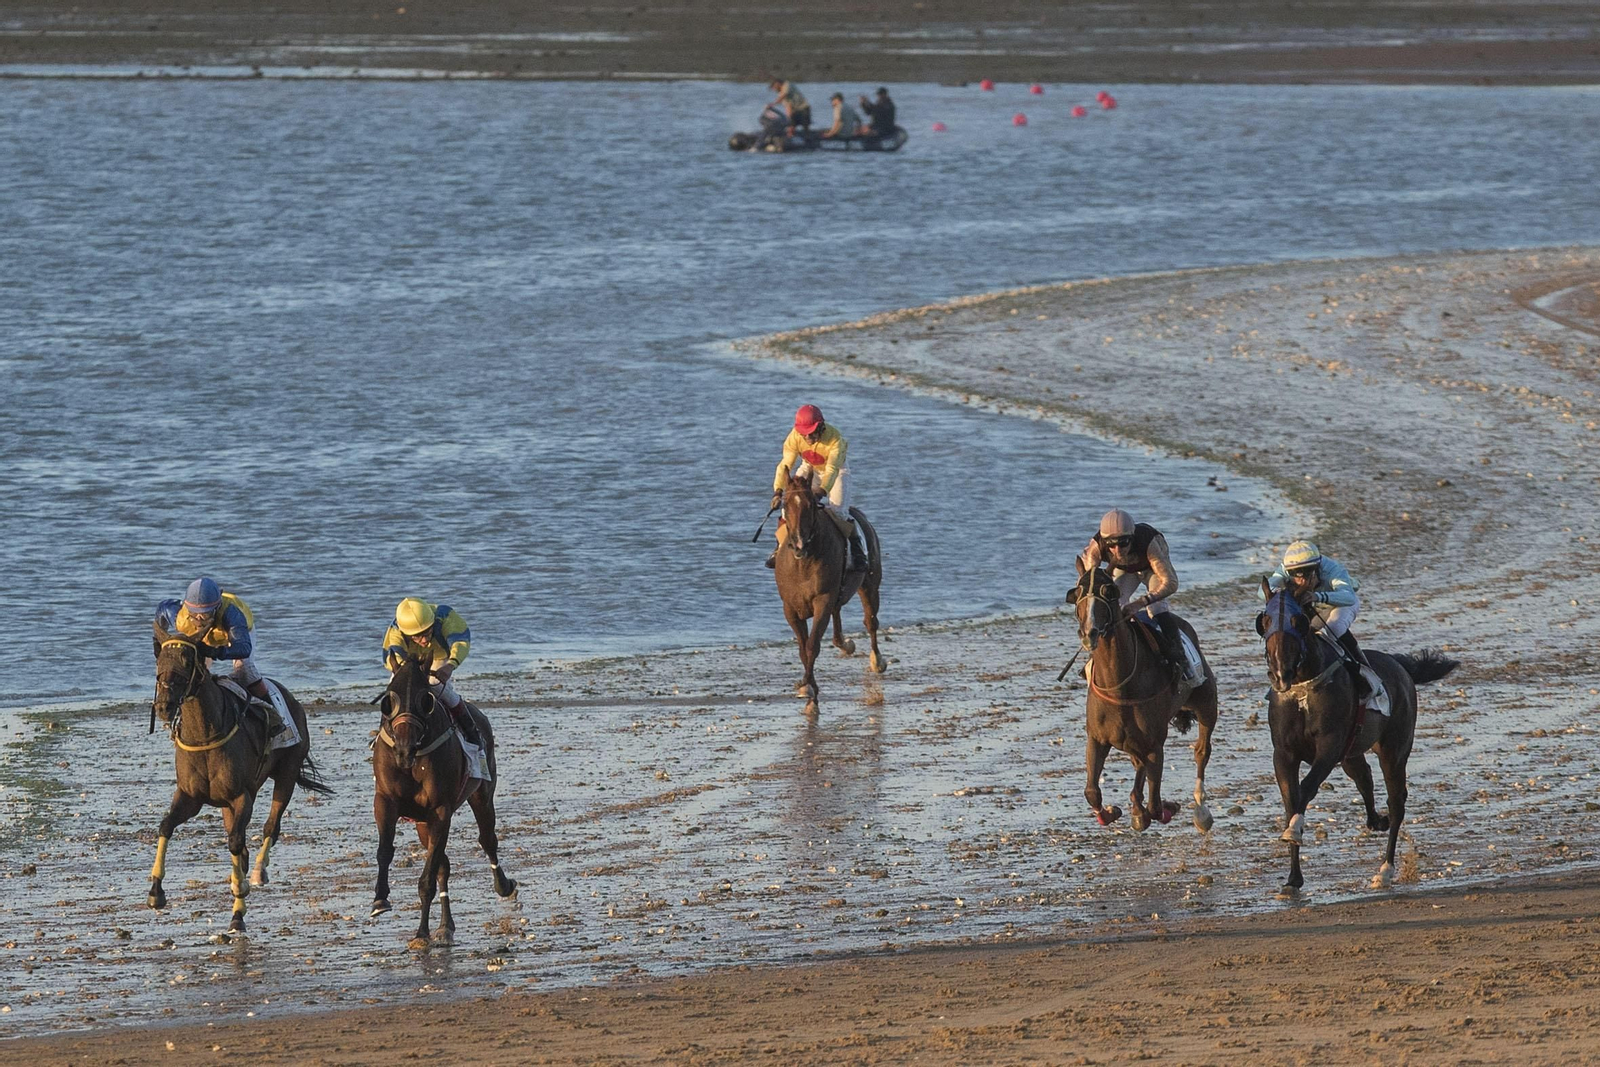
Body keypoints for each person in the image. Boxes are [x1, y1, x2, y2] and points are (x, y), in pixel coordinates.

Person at [154, 577, 297, 748]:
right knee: (192, 676)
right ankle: (181, 720)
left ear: (217, 607)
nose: (199, 616)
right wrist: (160, 650)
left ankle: (275, 717)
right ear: (185, 606)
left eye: (206, 612)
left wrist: (215, 652)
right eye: (194, 612)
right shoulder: (174, 612)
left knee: (245, 671)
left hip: (235, 636)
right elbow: (159, 621)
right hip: (202, 639)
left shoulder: (232, 614)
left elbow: (243, 649)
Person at [1077, 509, 1205, 688]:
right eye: (1111, 545)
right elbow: (1088, 584)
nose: (1117, 550)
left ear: (1132, 536)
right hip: (1126, 571)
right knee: (1115, 605)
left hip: (1152, 569)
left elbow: (1171, 583)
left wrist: (1140, 603)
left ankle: (1180, 660)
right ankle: (1097, 659)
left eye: (1123, 543)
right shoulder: (1095, 548)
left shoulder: (1149, 542)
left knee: (1157, 609)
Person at [383, 598, 489, 774]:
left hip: (439, 659)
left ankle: (472, 733)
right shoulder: (396, 630)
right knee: (394, 695)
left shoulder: (446, 616)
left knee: (441, 690)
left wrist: (450, 665)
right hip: (408, 664)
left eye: (427, 632)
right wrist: (408, 674)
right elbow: (390, 656)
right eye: (417, 636)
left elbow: (460, 643)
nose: (424, 640)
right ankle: (382, 734)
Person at [1264, 540, 1372, 697]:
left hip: (1339, 604)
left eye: (1306, 574)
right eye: (1295, 575)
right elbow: (1263, 592)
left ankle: (1362, 672)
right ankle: (1282, 675)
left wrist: (1317, 596)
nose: (1300, 580)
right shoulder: (1286, 569)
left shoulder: (1332, 569)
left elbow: (1348, 597)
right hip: (1312, 607)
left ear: (1316, 568)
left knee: (1334, 628)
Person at [767, 404, 867, 573]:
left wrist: (820, 493)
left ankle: (858, 551)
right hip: (809, 467)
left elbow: (831, 470)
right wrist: (778, 491)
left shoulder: (835, 439)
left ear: (821, 426)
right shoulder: (794, 437)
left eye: (812, 432)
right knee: (788, 508)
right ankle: (779, 549)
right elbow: (785, 465)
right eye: (804, 433)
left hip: (837, 472)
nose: (808, 437)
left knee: (838, 512)